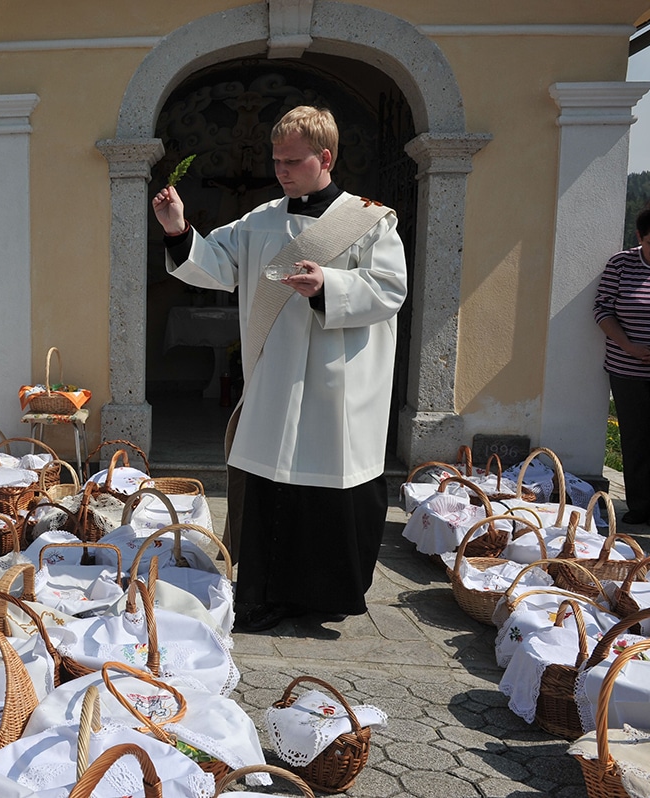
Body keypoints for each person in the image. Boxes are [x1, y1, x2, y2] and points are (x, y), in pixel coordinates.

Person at [152, 105, 408, 632]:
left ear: (325, 157)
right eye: (276, 161)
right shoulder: (261, 221)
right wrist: (178, 230)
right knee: (271, 489)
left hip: (340, 386)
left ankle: (325, 598)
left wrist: (330, 287)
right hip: (276, 379)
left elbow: (390, 289)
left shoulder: (369, 221)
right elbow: (217, 265)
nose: (281, 171)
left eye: (292, 161)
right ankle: (264, 597)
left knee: (330, 491)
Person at [593, 198, 650, 529]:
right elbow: (602, 309)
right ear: (640, 236)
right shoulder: (621, 264)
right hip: (627, 369)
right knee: (635, 439)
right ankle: (638, 507)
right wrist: (629, 347)